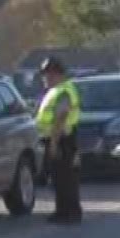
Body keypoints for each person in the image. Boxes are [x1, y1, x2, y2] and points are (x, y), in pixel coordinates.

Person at [36, 57, 83, 225]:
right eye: (44, 75)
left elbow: (60, 119)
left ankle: (68, 213)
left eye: (48, 75)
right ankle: (64, 211)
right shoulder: (56, 91)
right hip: (60, 138)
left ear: (57, 74)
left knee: (64, 178)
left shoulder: (63, 91)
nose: (45, 79)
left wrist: (54, 145)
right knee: (59, 178)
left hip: (62, 139)